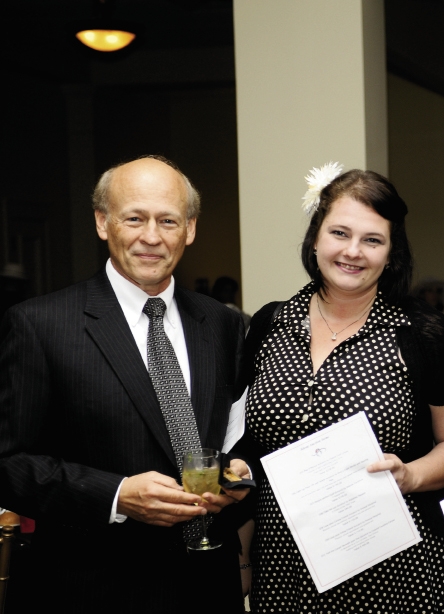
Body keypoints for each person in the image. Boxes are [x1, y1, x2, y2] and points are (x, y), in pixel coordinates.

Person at [0, 155, 251, 613]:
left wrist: (240, 478)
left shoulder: (222, 325)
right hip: (93, 588)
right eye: (134, 218)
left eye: (168, 220)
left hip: (207, 587)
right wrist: (116, 495)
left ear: (190, 229)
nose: (151, 237)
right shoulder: (40, 324)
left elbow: (240, 437)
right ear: (103, 222)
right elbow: (8, 462)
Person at [240, 167, 444, 612]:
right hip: (285, 573)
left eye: (372, 239)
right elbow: (250, 448)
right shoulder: (269, 325)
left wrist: (411, 476)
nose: (352, 252)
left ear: (391, 252)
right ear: (315, 239)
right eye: (339, 233)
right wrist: (242, 554)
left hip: (398, 573)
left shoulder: (423, 333)